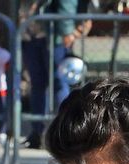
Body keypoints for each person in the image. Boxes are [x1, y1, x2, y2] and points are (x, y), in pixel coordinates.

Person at [20, 0, 89, 148]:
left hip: (53, 34)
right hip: (30, 34)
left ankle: (63, 132)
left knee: (59, 82)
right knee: (37, 84)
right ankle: (37, 133)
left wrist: (66, 30)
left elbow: (67, 4)